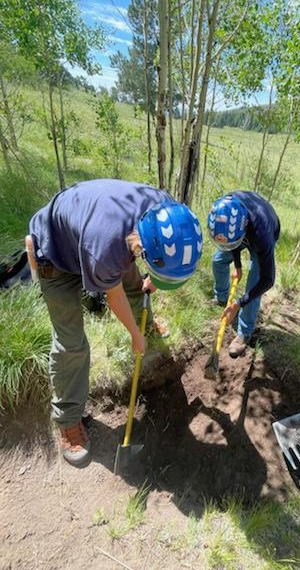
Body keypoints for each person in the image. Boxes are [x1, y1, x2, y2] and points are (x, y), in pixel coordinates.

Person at [28, 179, 202, 467]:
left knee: (136, 286)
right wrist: (134, 335)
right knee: (71, 343)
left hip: (91, 233)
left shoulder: (168, 215)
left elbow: (141, 276)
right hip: (55, 255)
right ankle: (69, 421)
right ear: (142, 245)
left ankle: (146, 325)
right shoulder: (106, 247)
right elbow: (115, 296)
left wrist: (156, 280)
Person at [207, 191, 280, 357]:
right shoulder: (225, 209)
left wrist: (239, 303)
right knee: (218, 260)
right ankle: (222, 297)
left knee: (255, 283)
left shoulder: (263, 236)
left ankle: (244, 333)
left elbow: (268, 280)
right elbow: (232, 243)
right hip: (237, 233)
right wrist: (238, 266)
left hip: (265, 227)